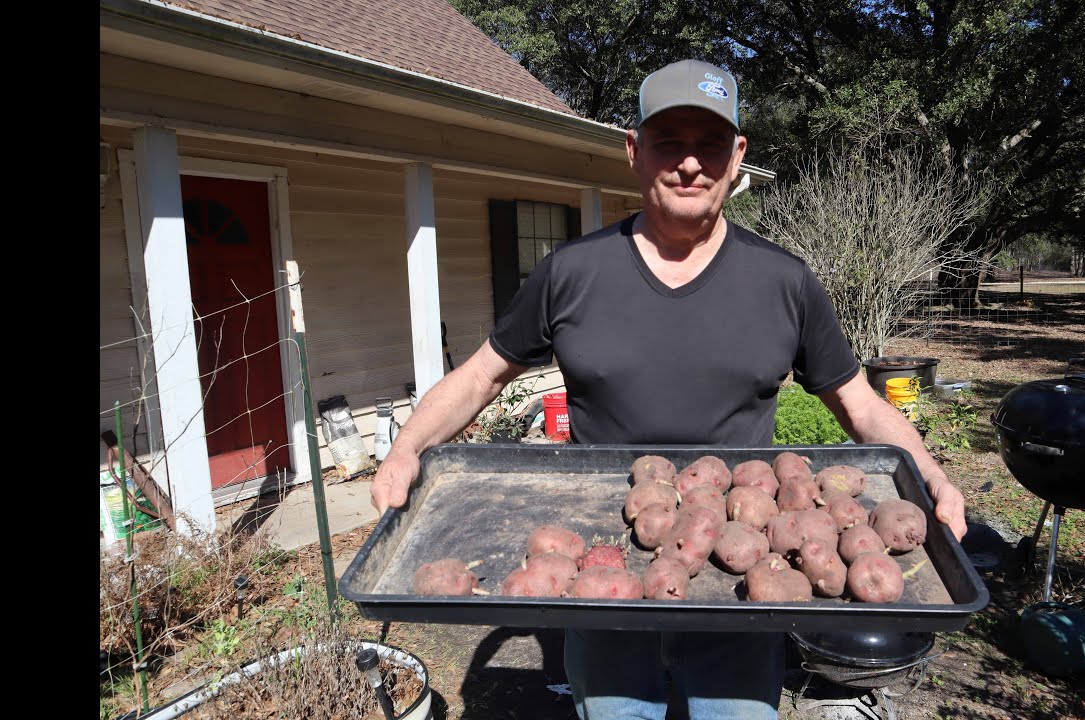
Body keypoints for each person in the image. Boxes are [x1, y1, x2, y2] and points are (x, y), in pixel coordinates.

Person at [371, 58, 968, 720]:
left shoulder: (785, 283)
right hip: (611, 564)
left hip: (742, 575)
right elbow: (481, 373)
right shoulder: (571, 273)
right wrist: (409, 447)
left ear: (738, 156)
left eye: (710, 144)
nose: (690, 164)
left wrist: (932, 475)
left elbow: (858, 404)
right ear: (634, 151)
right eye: (669, 142)